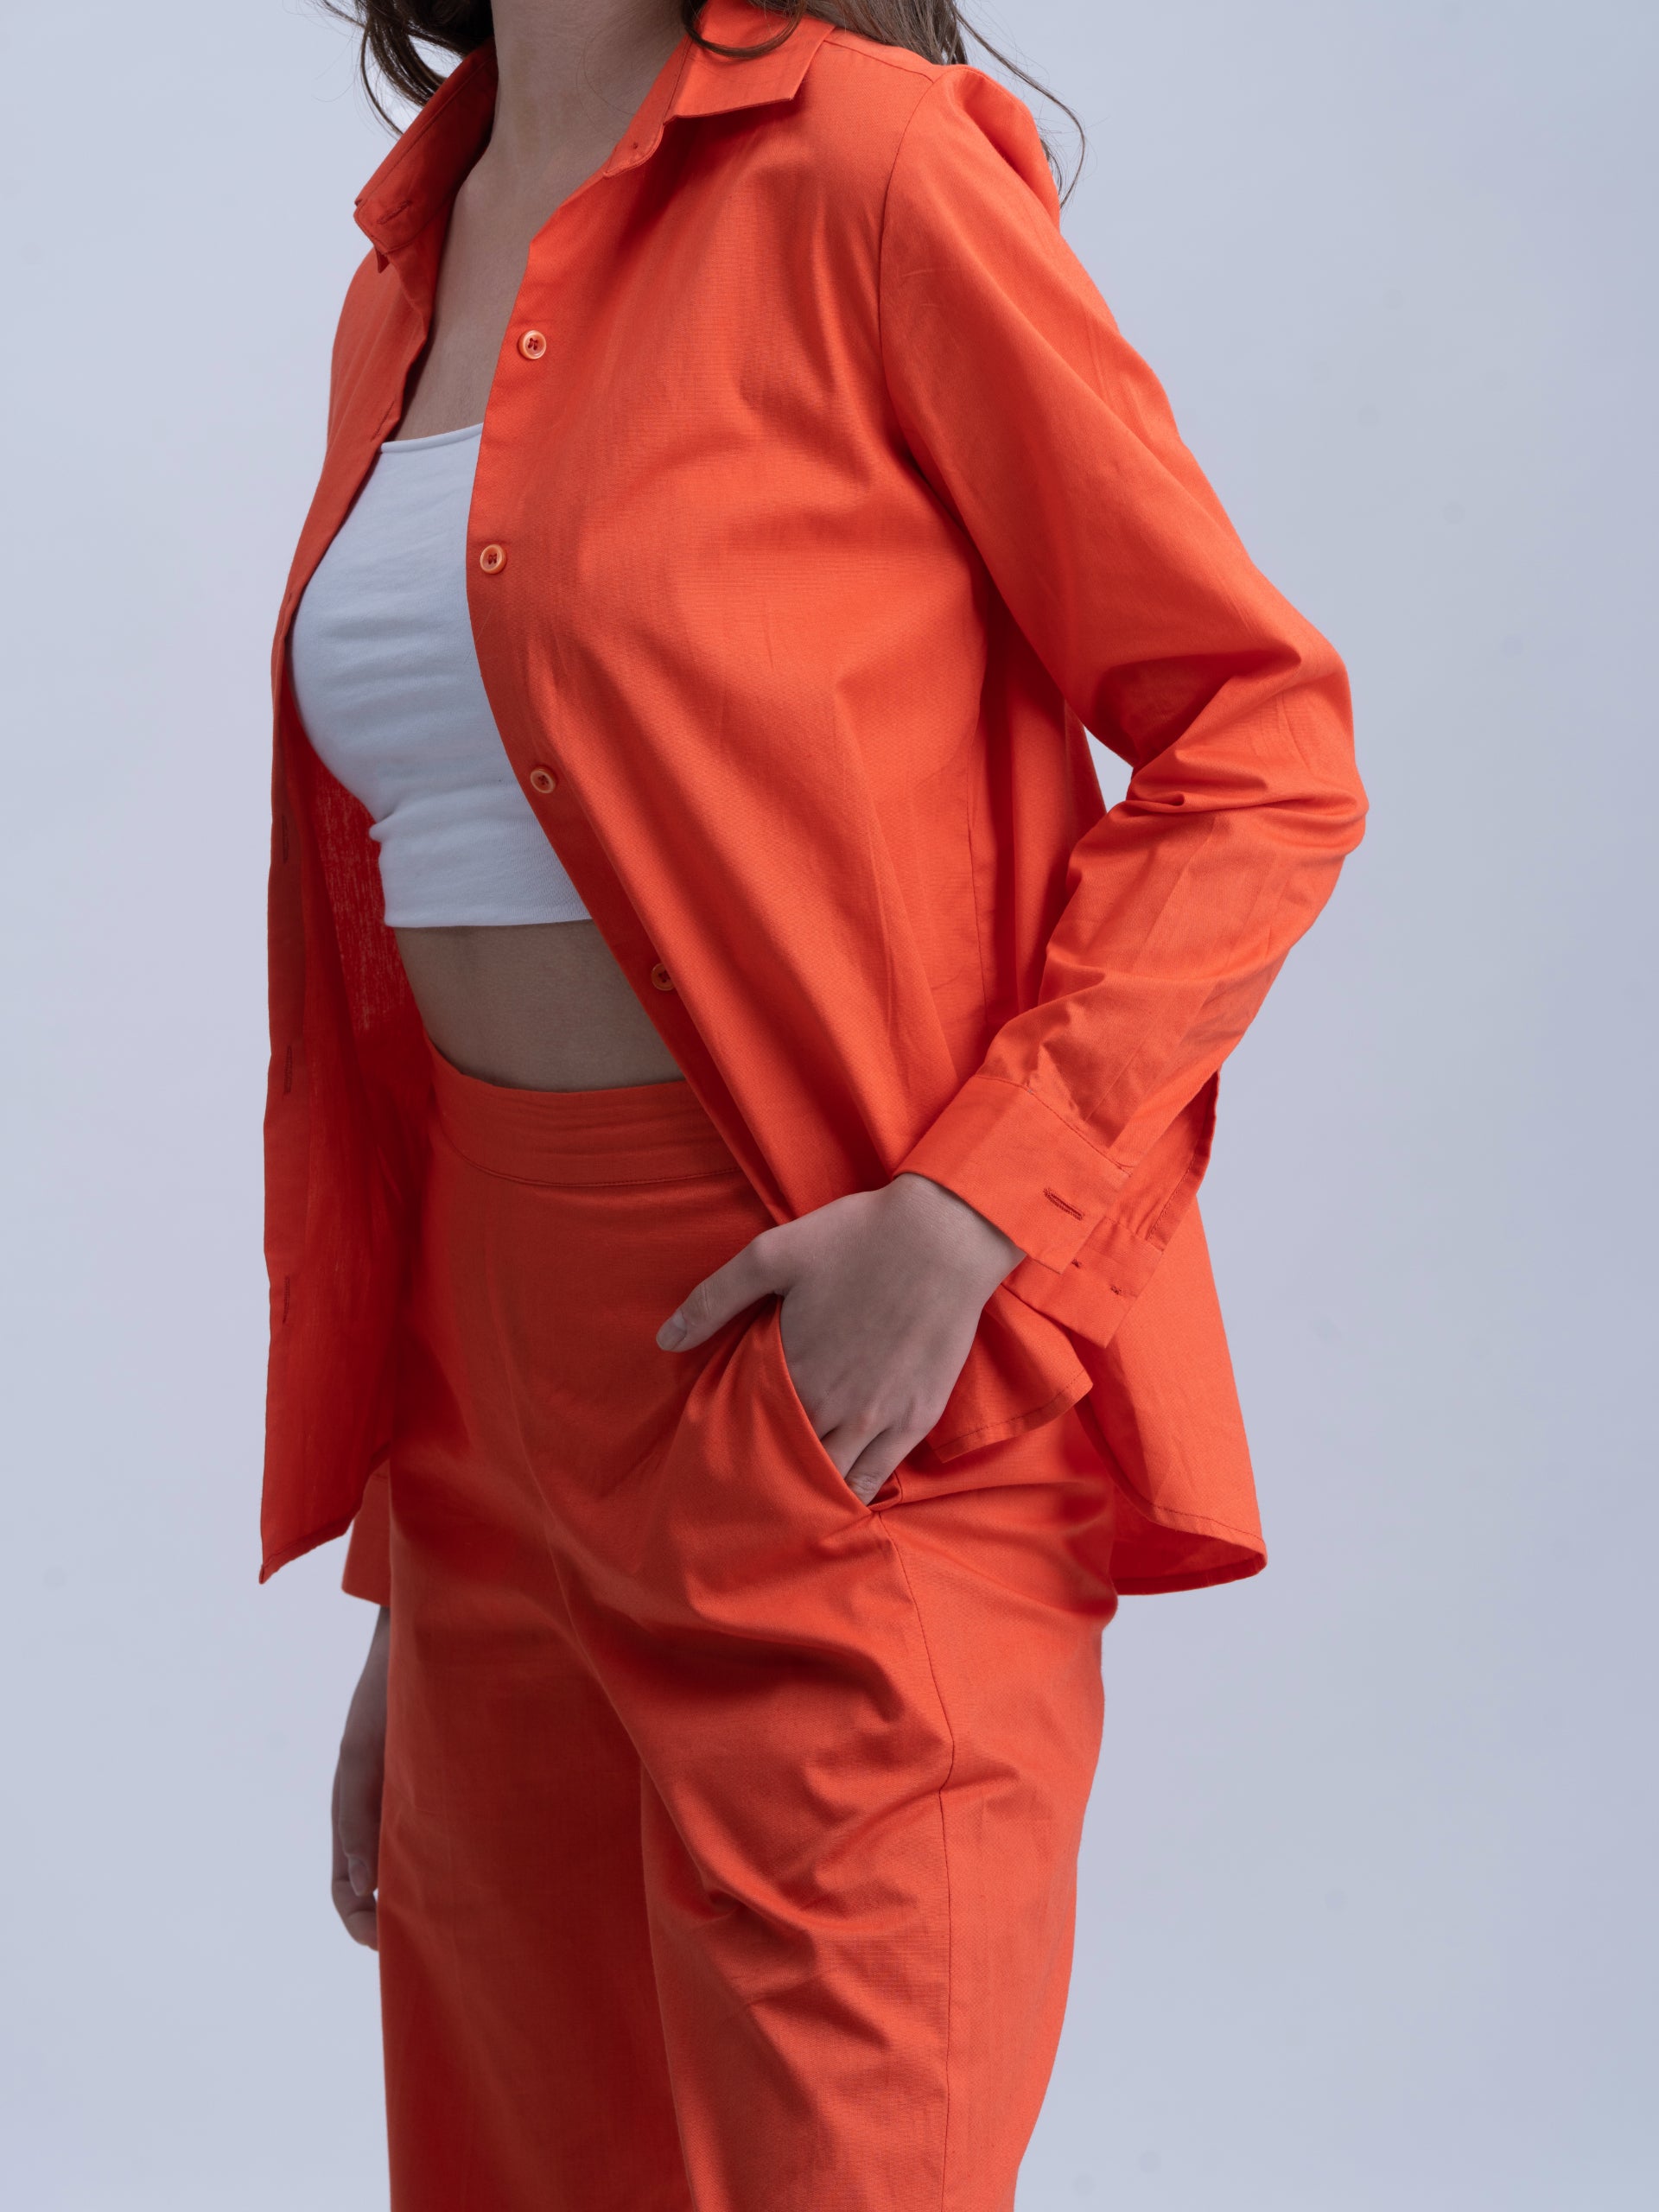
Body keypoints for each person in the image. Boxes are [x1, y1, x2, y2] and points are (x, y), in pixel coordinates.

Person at [264, 0, 1365, 2203]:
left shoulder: (874, 173)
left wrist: (971, 1215)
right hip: (483, 1439)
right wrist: (412, 1584)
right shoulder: (405, 262)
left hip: (825, 1381)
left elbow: (1262, 738)